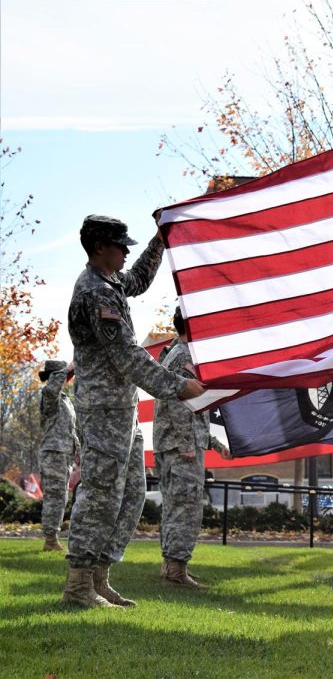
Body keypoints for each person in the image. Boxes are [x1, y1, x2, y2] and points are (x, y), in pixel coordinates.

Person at [63, 214, 205, 609]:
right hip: (103, 409)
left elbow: (138, 280)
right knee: (100, 494)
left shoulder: (110, 283)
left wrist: (160, 241)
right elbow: (128, 357)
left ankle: (99, 578)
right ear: (99, 248)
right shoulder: (95, 293)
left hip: (120, 409)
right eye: (120, 245)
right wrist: (179, 387)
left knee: (130, 494)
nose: (127, 251)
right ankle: (77, 586)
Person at [153, 307, 229, 588]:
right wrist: (187, 444)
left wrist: (215, 444)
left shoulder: (177, 352)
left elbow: (193, 410)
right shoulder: (184, 356)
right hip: (180, 445)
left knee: (175, 506)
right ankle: (175, 570)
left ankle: (171, 566)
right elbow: (178, 403)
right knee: (186, 506)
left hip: (174, 443)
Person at [37, 360, 78, 552]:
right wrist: (66, 369)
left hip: (64, 454)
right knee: (55, 497)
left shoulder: (64, 400)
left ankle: (52, 538)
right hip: (53, 453)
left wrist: (77, 452)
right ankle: (51, 539)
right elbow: (52, 388)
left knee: (60, 497)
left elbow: (71, 430)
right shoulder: (49, 396)